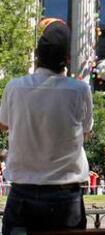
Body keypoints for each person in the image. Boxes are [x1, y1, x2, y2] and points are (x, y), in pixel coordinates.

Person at [0, 20, 93, 234]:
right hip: (65, 197)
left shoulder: (14, 88)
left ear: (36, 55)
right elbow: (87, 131)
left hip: (22, 193)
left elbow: (3, 124)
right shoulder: (80, 90)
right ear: (68, 59)